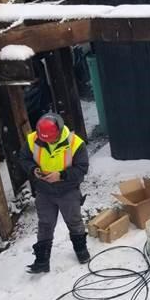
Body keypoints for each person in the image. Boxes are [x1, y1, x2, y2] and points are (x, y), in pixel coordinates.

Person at [19, 113, 90, 274]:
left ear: (58, 132)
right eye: (45, 140)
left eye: (51, 139)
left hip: (68, 191)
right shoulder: (32, 140)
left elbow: (82, 169)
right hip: (44, 191)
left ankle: (81, 251)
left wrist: (61, 175)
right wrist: (33, 170)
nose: (48, 142)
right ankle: (42, 261)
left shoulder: (75, 143)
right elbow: (24, 159)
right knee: (45, 224)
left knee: (74, 221)